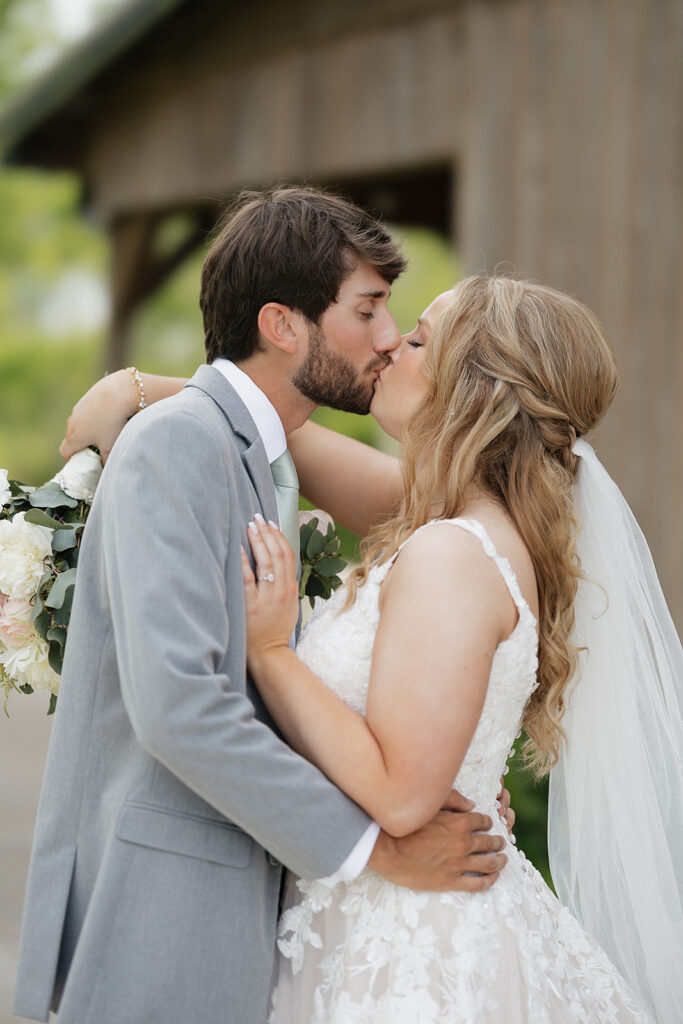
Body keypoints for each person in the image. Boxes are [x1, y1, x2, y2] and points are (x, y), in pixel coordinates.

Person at [65, 276, 682, 1021]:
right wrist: (136, 391)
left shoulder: (453, 554)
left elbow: (399, 793)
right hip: (370, 917)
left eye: (418, 338)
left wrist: (269, 652)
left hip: (411, 945)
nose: (390, 343)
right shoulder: (460, 520)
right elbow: (276, 429)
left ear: (476, 392)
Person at [13, 189, 512, 1024]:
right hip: (161, 913)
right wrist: (379, 848)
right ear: (283, 326)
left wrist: (450, 775)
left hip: (241, 919)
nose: (388, 338)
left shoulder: (252, 456)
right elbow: (181, 708)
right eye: (368, 309)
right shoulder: (179, 444)